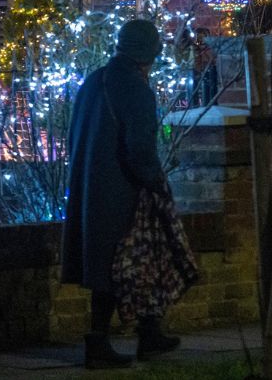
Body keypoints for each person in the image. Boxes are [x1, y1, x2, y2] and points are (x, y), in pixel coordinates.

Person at [63, 19, 185, 369]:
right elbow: (140, 148)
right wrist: (155, 181)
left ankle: (149, 332)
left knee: (123, 261)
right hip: (123, 189)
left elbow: (74, 134)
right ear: (148, 55)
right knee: (128, 260)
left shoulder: (93, 81)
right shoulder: (136, 88)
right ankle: (100, 342)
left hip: (90, 185)